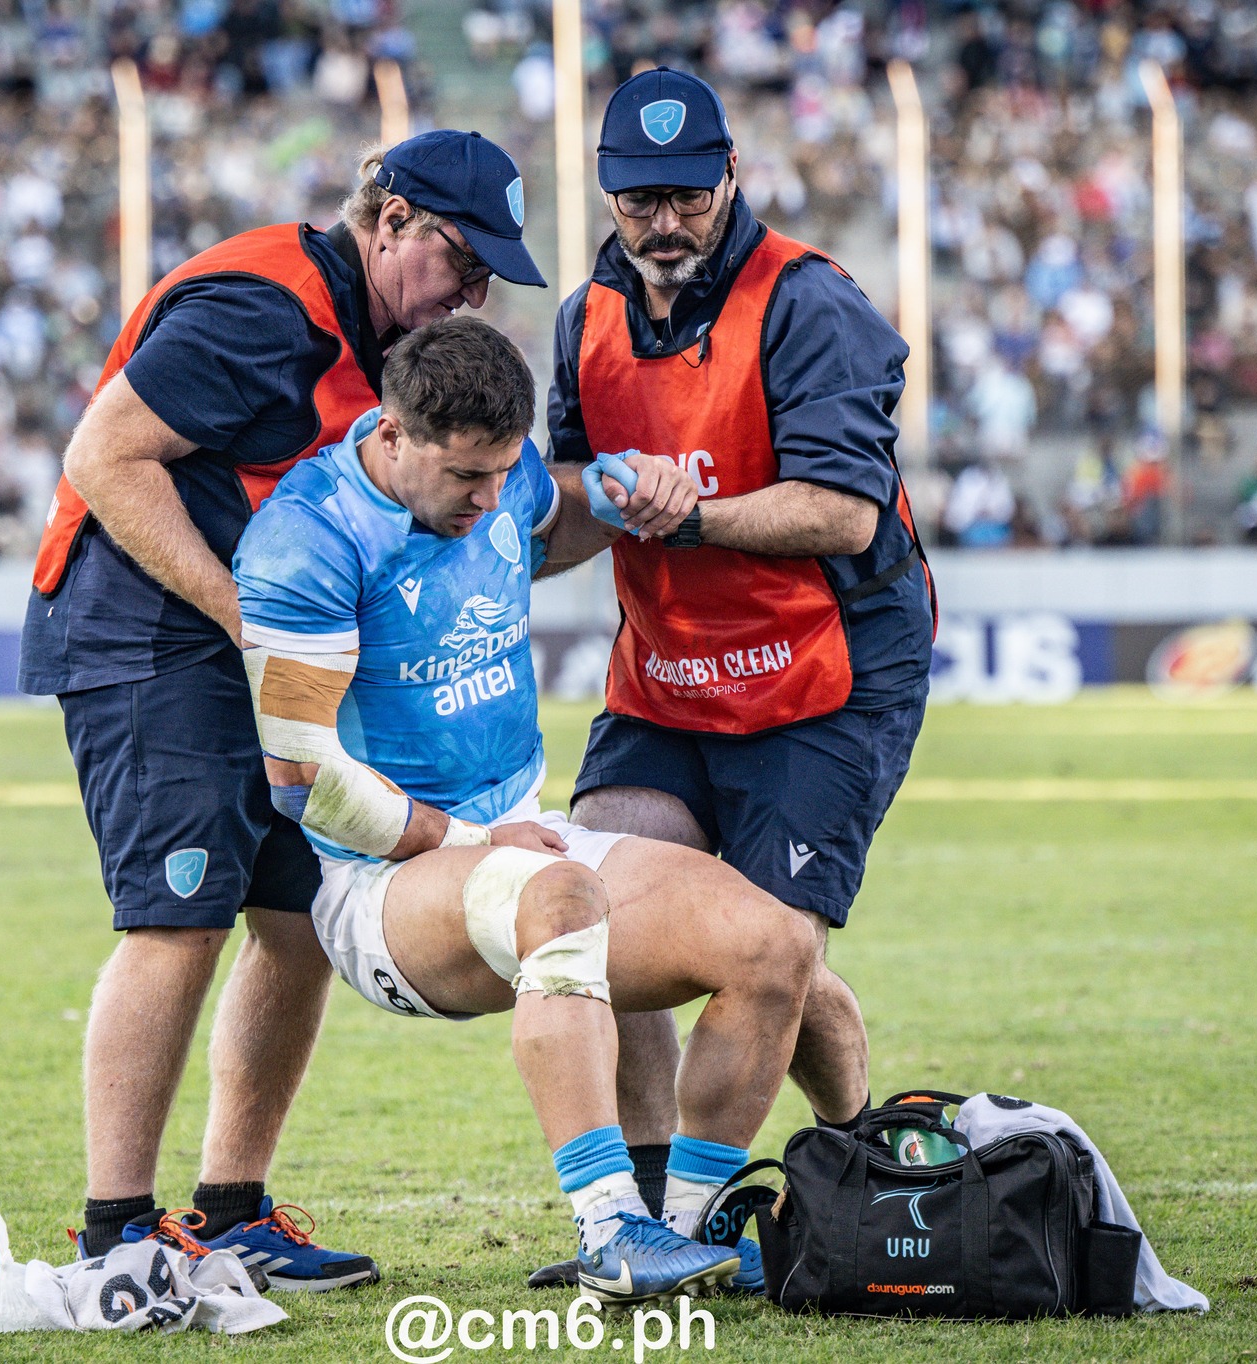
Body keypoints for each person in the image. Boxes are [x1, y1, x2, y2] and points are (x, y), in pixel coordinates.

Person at [16, 129, 546, 1283]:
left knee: (298, 912)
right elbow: (103, 456)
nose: (472, 292)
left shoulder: (381, 336)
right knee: (178, 913)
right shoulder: (262, 309)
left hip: (233, 631)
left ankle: (228, 1211)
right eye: (461, 260)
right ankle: (115, 1231)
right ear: (390, 219)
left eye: (486, 274)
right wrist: (245, 619)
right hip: (148, 628)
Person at [233, 316, 817, 1303]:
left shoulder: (502, 480)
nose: (490, 497)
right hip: (381, 882)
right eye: (467, 475)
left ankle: (684, 1233)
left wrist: (621, 499)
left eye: (505, 471)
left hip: (525, 836)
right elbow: (304, 779)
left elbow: (550, 525)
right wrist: (473, 836)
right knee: (557, 896)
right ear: (392, 433)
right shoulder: (307, 539)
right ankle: (609, 1229)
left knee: (774, 943)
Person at [536, 67, 936, 1286]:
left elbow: (843, 512)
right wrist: (520, 520)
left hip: (826, 672)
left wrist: (683, 509)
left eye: (686, 196)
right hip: (664, 672)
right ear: (606, 193)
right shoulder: (583, 318)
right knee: (597, 912)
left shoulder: (811, 303)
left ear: (730, 177)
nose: (663, 222)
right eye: (637, 200)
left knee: (767, 949)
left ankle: (831, 1171)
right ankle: (649, 1214)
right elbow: (568, 509)